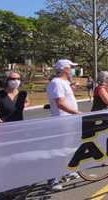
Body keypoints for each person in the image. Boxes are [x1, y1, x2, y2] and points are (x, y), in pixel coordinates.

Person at [46, 59, 83, 191]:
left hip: (69, 122)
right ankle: (52, 179)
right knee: (58, 151)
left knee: (67, 148)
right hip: (62, 122)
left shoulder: (64, 83)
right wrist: (78, 113)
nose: (73, 70)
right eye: (71, 67)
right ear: (65, 69)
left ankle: (67, 171)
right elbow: (60, 103)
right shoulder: (56, 83)